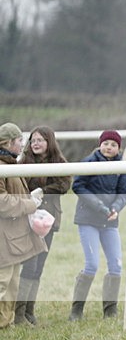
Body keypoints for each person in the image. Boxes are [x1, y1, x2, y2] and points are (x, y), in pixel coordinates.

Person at [70, 130, 126, 320]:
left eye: (113, 145)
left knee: (116, 266)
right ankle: (76, 311)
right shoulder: (88, 162)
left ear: (118, 148)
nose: (109, 147)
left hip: (110, 221)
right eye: (106, 144)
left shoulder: (121, 166)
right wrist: (100, 206)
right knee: (92, 265)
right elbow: (78, 186)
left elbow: (124, 191)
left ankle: (110, 311)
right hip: (88, 219)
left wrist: (116, 208)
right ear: (100, 144)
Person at [14, 126, 71, 325]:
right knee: (30, 265)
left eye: (40, 140)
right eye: (33, 140)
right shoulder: (22, 163)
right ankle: (19, 313)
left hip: (48, 221)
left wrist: (41, 191)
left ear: (49, 142)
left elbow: (64, 185)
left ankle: (29, 311)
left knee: (39, 267)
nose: (35, 143)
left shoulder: (59, 162)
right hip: (29, 220)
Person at [0, 122, 47, 330]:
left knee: (12, 283)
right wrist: (30, 204)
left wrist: (30, 198)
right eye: (19, 141)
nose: (22, 145)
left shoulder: (12, 164)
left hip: (12, 236)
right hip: (4, 235)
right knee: (3, 282)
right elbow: (3, 203)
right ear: (8, 143)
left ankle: (5, 322)